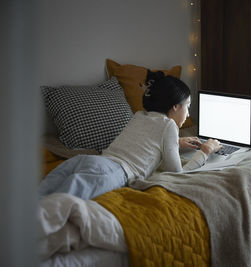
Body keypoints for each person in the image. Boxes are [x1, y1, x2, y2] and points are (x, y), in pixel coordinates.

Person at [38, 71, 221, 200]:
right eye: (187, 105)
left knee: (39, 196)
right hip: (112, 172)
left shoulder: (140, 115)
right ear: (175, 106)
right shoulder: (169, 125)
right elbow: (176, 173)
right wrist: (204, 151)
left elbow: (145, 142)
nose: (188, 113)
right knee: (58, 205)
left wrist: (177, 142)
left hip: (88, 160)